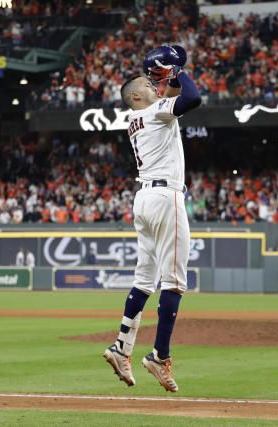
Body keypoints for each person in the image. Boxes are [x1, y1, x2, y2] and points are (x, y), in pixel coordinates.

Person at [103, 45, 200, 393]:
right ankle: (159, 356)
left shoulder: (136, 118)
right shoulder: (156, 111)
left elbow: (175, 95)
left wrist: (168, 73)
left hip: (144, 198)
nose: (152, 84)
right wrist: (174, 70)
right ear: (134, 95)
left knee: (144, 279)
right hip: (165, 196)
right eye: (146, 82)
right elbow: (192, 98)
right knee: (174, 281)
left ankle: (121, 347)